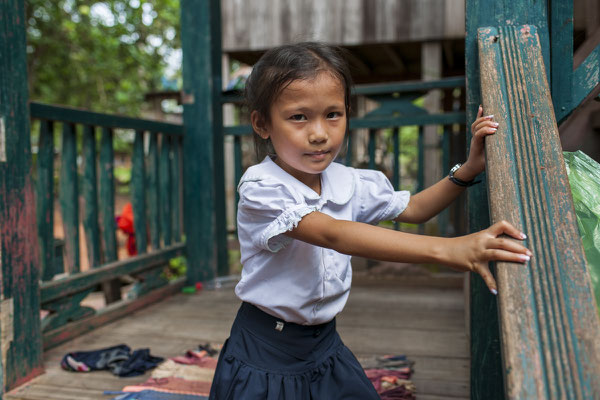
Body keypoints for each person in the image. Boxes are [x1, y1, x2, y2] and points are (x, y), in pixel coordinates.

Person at [209, 42, 531, 400]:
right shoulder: (262, 189)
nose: (319, 133)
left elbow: (414, 210)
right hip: (265, 350)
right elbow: (332, 233)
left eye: (333, 114)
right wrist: (451, 249)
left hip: (324, 345)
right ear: (262, 123)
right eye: (299, 117)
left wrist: (467, 170)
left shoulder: (349, 181)